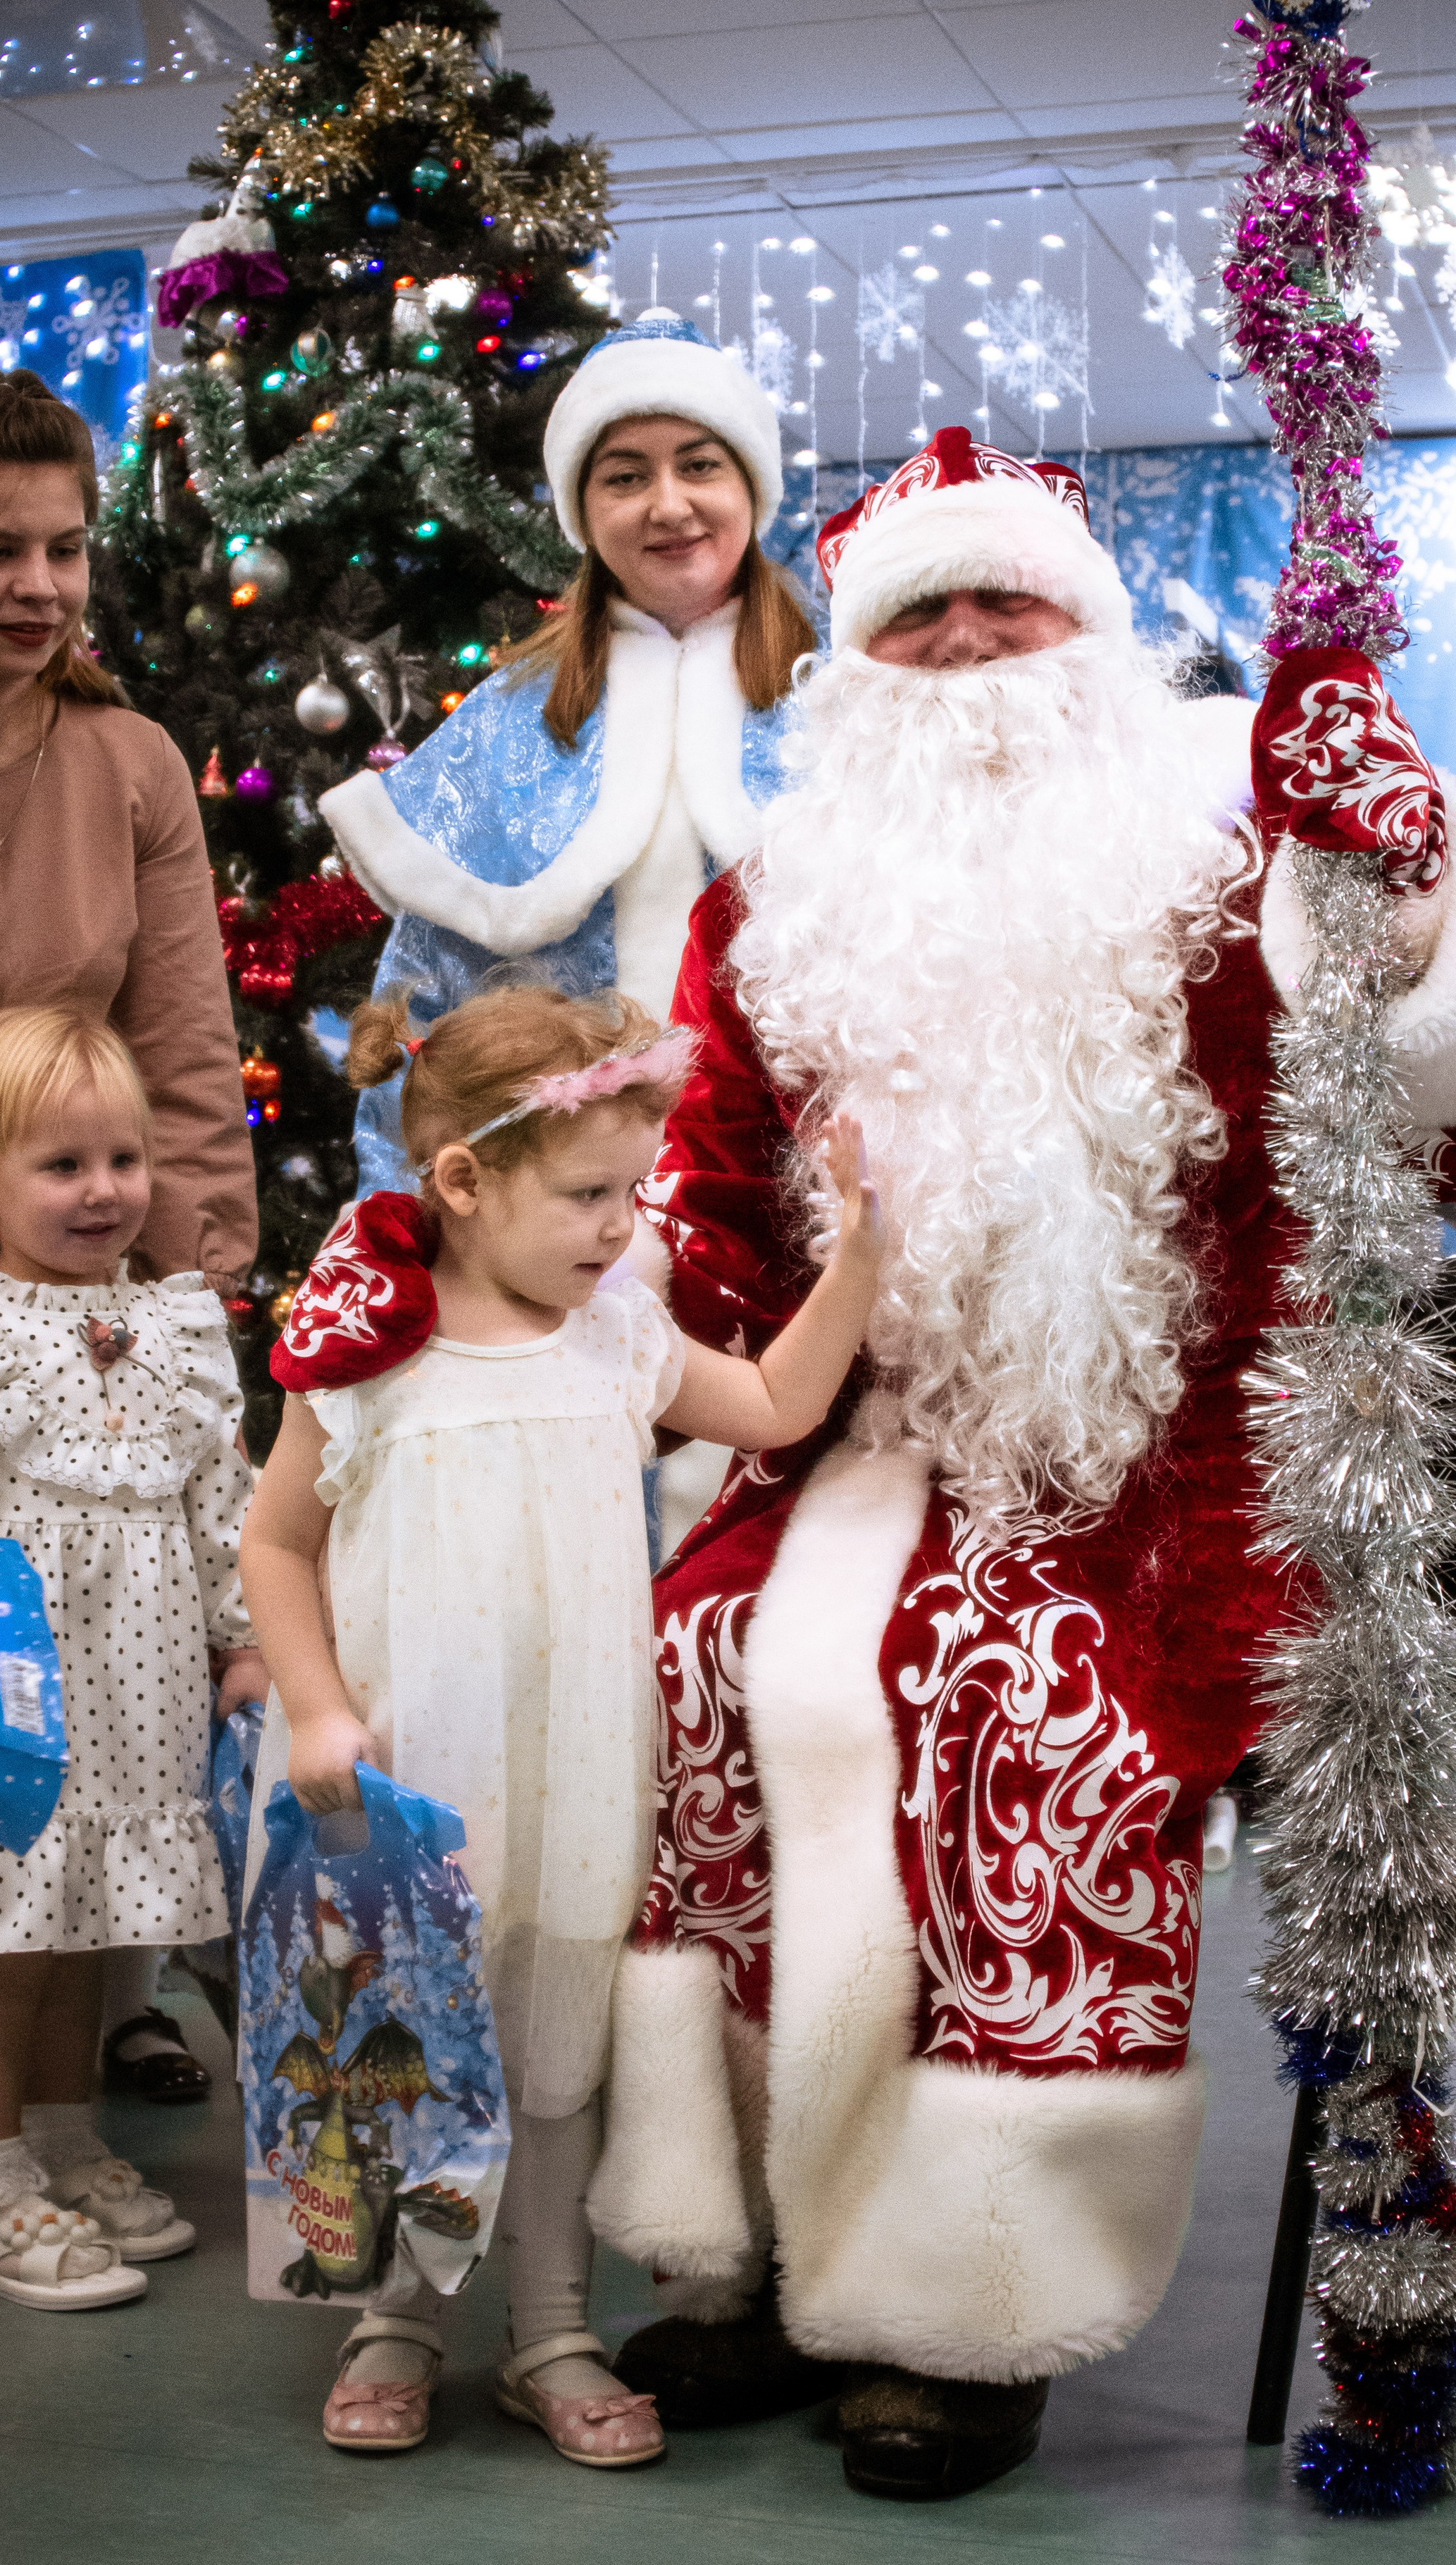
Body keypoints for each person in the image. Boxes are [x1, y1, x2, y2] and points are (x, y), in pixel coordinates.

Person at [585, 429, 1456, 2499]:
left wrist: (1408, 891)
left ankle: (963, 2301)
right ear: (855, 666)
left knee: (1004, 1689)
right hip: (847, 1430)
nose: (963, 645)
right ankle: (768, 2252)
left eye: (1007, 603)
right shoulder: (766, 914)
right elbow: (696, 1211)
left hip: (1179, 1466)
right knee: (693, 1650)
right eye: (916, 614)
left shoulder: (1240, 869)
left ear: (1091, 634)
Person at [239, 982, 881, 2462]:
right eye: (587, 1195)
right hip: (406, 1773)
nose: (617, 1226)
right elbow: (274, 1546)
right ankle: (396, 2313)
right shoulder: (371, 1352)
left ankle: (548, 2328)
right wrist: (321, 1708)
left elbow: (778, 1401)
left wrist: (858, 1260)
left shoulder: (616, 1337)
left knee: (550, 2047)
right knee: (400, 2038)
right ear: (462, 1183)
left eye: (632, 1192)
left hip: (580, 1763)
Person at [0, 361, 258, 2145]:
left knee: (32, 1696)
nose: (41, 586)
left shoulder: (121, 763)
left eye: (66, 547)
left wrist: (186, 1287)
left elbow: (188, 1043)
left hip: (73, 1286)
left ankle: (13, 2083)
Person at [0, 1007, 260, 2309]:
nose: (102, 1191)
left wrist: (245, 1639)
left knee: (87, 1938)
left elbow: (225, 1503)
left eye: (123, 1158)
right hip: (10, 1702)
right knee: (3, 1947)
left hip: (143, 1695)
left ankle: (61, 2139)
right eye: (61, 1166)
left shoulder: (176, 1328)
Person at [318, 309, 814, 1193]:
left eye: (700, 464)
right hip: (544, 1225)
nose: (669, 505)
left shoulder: (840, 708)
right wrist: (398, 1229)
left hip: (786, 1204)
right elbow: (424, 1017)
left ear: (751, 488)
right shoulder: (505, 723)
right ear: (584, 511)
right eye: (625, 476)